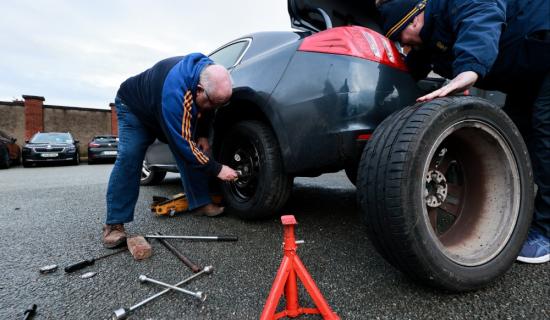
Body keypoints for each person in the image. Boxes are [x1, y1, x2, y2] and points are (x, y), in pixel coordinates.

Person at [378, 0, 550, 263]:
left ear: (414, 20)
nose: (404, 47)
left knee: (545, 136)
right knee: (519, 141)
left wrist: (469, 68)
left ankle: (546, 232)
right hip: (528, 70)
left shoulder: (457, 2)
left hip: (543, 49)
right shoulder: (428, 38)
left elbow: (482, 17)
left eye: (401, 38)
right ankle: (523, 214)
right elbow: (409, 70)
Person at [102, 53, 239, 248]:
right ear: (199, 89)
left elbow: (208, 109)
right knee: (130, 157)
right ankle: (114, 224)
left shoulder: (210, 76)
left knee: (194, 148)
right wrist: (217, 168)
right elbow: (183, 144)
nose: (214, 107)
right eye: (211, 101)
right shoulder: (176, 93)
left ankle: (200, 203)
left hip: (160, 105)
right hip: (135, 110)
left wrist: (201, 134)